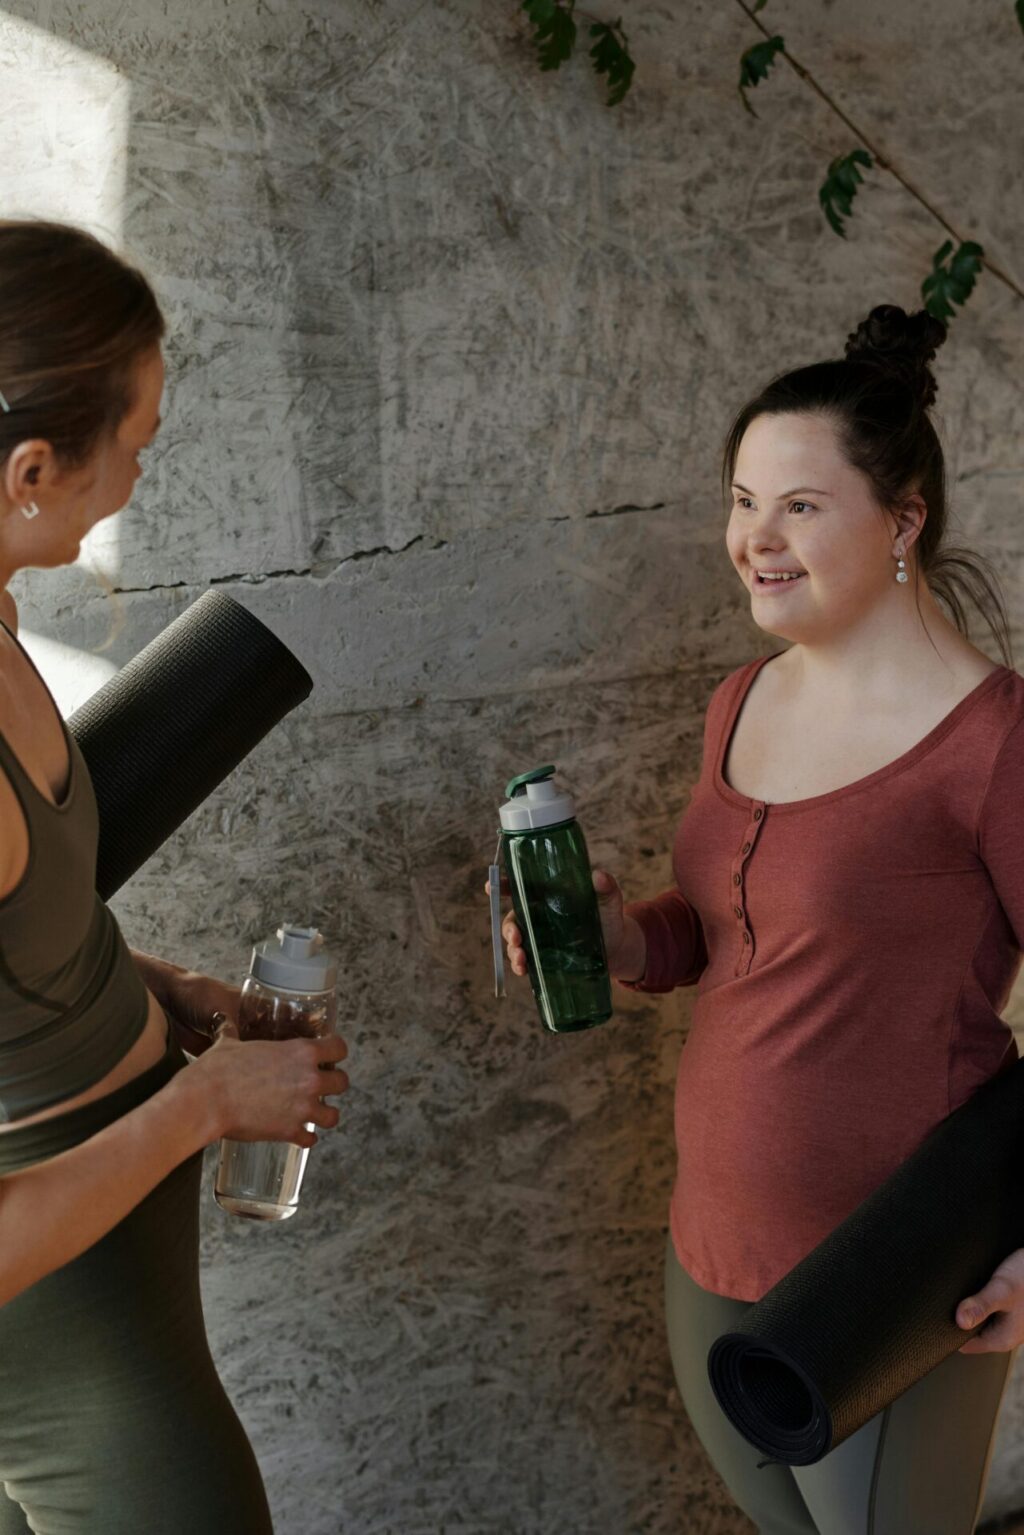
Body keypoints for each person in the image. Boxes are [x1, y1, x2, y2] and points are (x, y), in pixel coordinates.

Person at [491, 304, 1024, 1534]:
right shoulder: (742, 697)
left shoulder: (991, 742)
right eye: (741, 500)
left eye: (797, 503)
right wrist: (626, 942)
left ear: (902, 519)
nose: (752, 538)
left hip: (887, 1283)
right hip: (711, 1249)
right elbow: (733, 938)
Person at [0, 219, 350, 1534]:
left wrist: (164, 994)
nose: (138, 477)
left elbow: (23, 943)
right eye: (133, 445)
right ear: (35, 466)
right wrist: (202, 1106)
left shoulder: (2, 618)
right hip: (57, 1319)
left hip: (116, 1277)